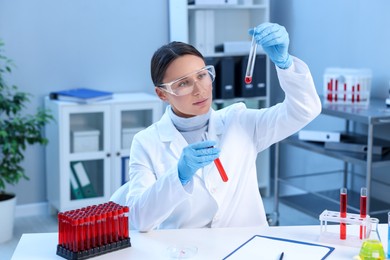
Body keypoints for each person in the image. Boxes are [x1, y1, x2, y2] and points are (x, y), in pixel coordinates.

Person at [125, 22, 321, 232]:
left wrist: (285, 64)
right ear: (162, 94)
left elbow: (305, 109)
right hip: (186, 250)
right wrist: (178, 176)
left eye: (202, 75)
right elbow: (138, 220)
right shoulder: (146, 142)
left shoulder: (240, 122)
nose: (200, 90)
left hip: (248, 245)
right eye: (183, 83)